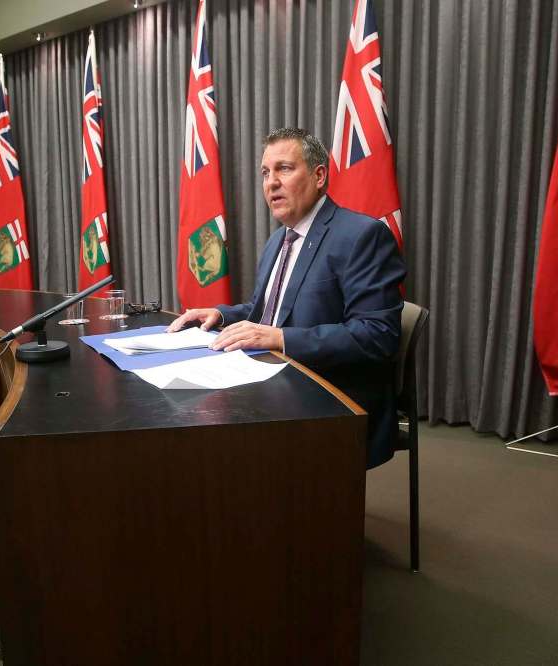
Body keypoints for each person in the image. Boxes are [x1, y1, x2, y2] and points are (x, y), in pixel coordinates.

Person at [168, 128, 406, 468]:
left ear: (319, 175)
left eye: (284, 168)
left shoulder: (361, 236)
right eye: (266, 173)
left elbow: (377, 336)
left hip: (334, 393)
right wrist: (220, 315)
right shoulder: (279, 240)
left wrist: (280, 338)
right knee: (190, 408)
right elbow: (264, 312)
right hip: (276, 379)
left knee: (215, 428)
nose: (271, 183)